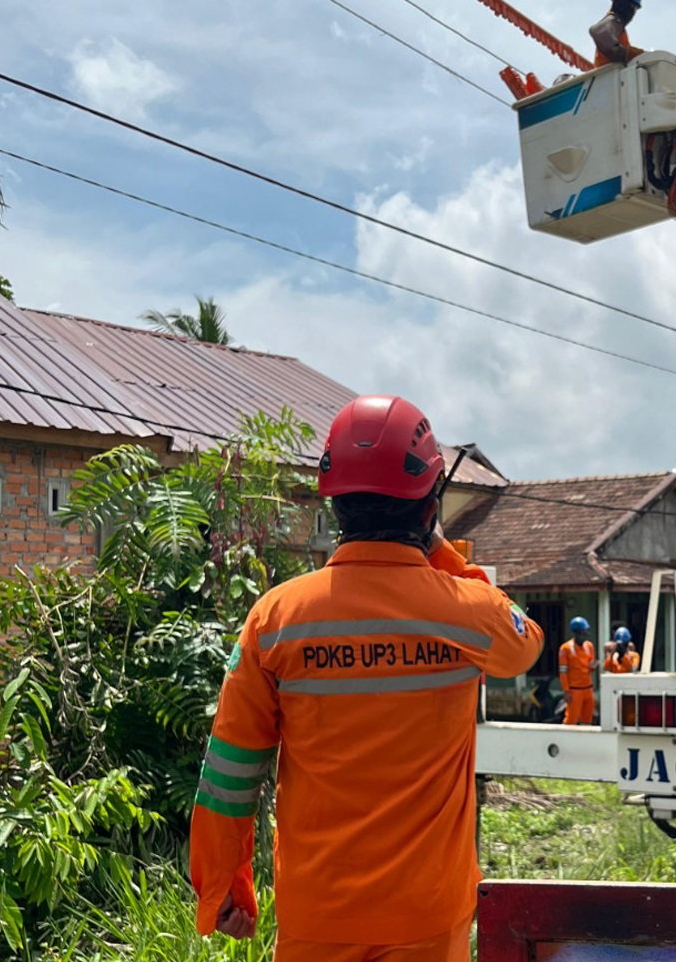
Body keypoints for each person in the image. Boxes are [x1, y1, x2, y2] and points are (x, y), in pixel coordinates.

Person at [189, 395, 543, 962]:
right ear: (430, 505)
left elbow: (231, 766)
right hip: (428, 912)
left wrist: (220, 881)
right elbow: (525, 644)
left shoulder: (276, 620)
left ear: (334, 504)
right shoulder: (466, 613)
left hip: (317, 911)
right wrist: (441, 554)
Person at [590, 0, 644, 67]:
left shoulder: (618, 28)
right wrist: (629, 54)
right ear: (626, 2)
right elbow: (598, 31)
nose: (632, 13)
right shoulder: (613, 20)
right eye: (633, 7)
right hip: (607, 77)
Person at [557, 616, 597, 724]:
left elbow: (590, 666)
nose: (586, 634)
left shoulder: (589, 646)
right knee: (571, 720)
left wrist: (593, 666)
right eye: (584, 632)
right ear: (577, 633)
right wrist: (566, 691)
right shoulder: (565, 648)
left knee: (587, 719)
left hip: (588, 688)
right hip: (575, 691)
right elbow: (563, 672)